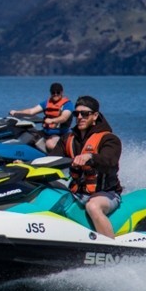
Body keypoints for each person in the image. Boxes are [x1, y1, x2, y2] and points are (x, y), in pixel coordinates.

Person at [47, 95, 123, 239]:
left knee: (93, 207)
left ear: (95, 116)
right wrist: (27, 165)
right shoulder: (68, 139)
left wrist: (91, 157)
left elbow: (110, 161)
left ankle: (111, 249)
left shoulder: (109, 139)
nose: (80, 117)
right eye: (77, 114)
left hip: (106, 193)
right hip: (78, 193)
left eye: (85, 114)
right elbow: (51, 160)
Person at [9, 82, 73, 150]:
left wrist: (52, 120)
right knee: (26, 136)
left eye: (58, 92)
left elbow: (64, 118)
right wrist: (16, 112)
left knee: (50, 144)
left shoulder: (67, 104)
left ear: (61, 92)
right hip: (46, 132)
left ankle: (62, 155)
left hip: (60, 134)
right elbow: (31, 111)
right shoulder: (47, 103)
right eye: (53, 92)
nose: (55, 94)